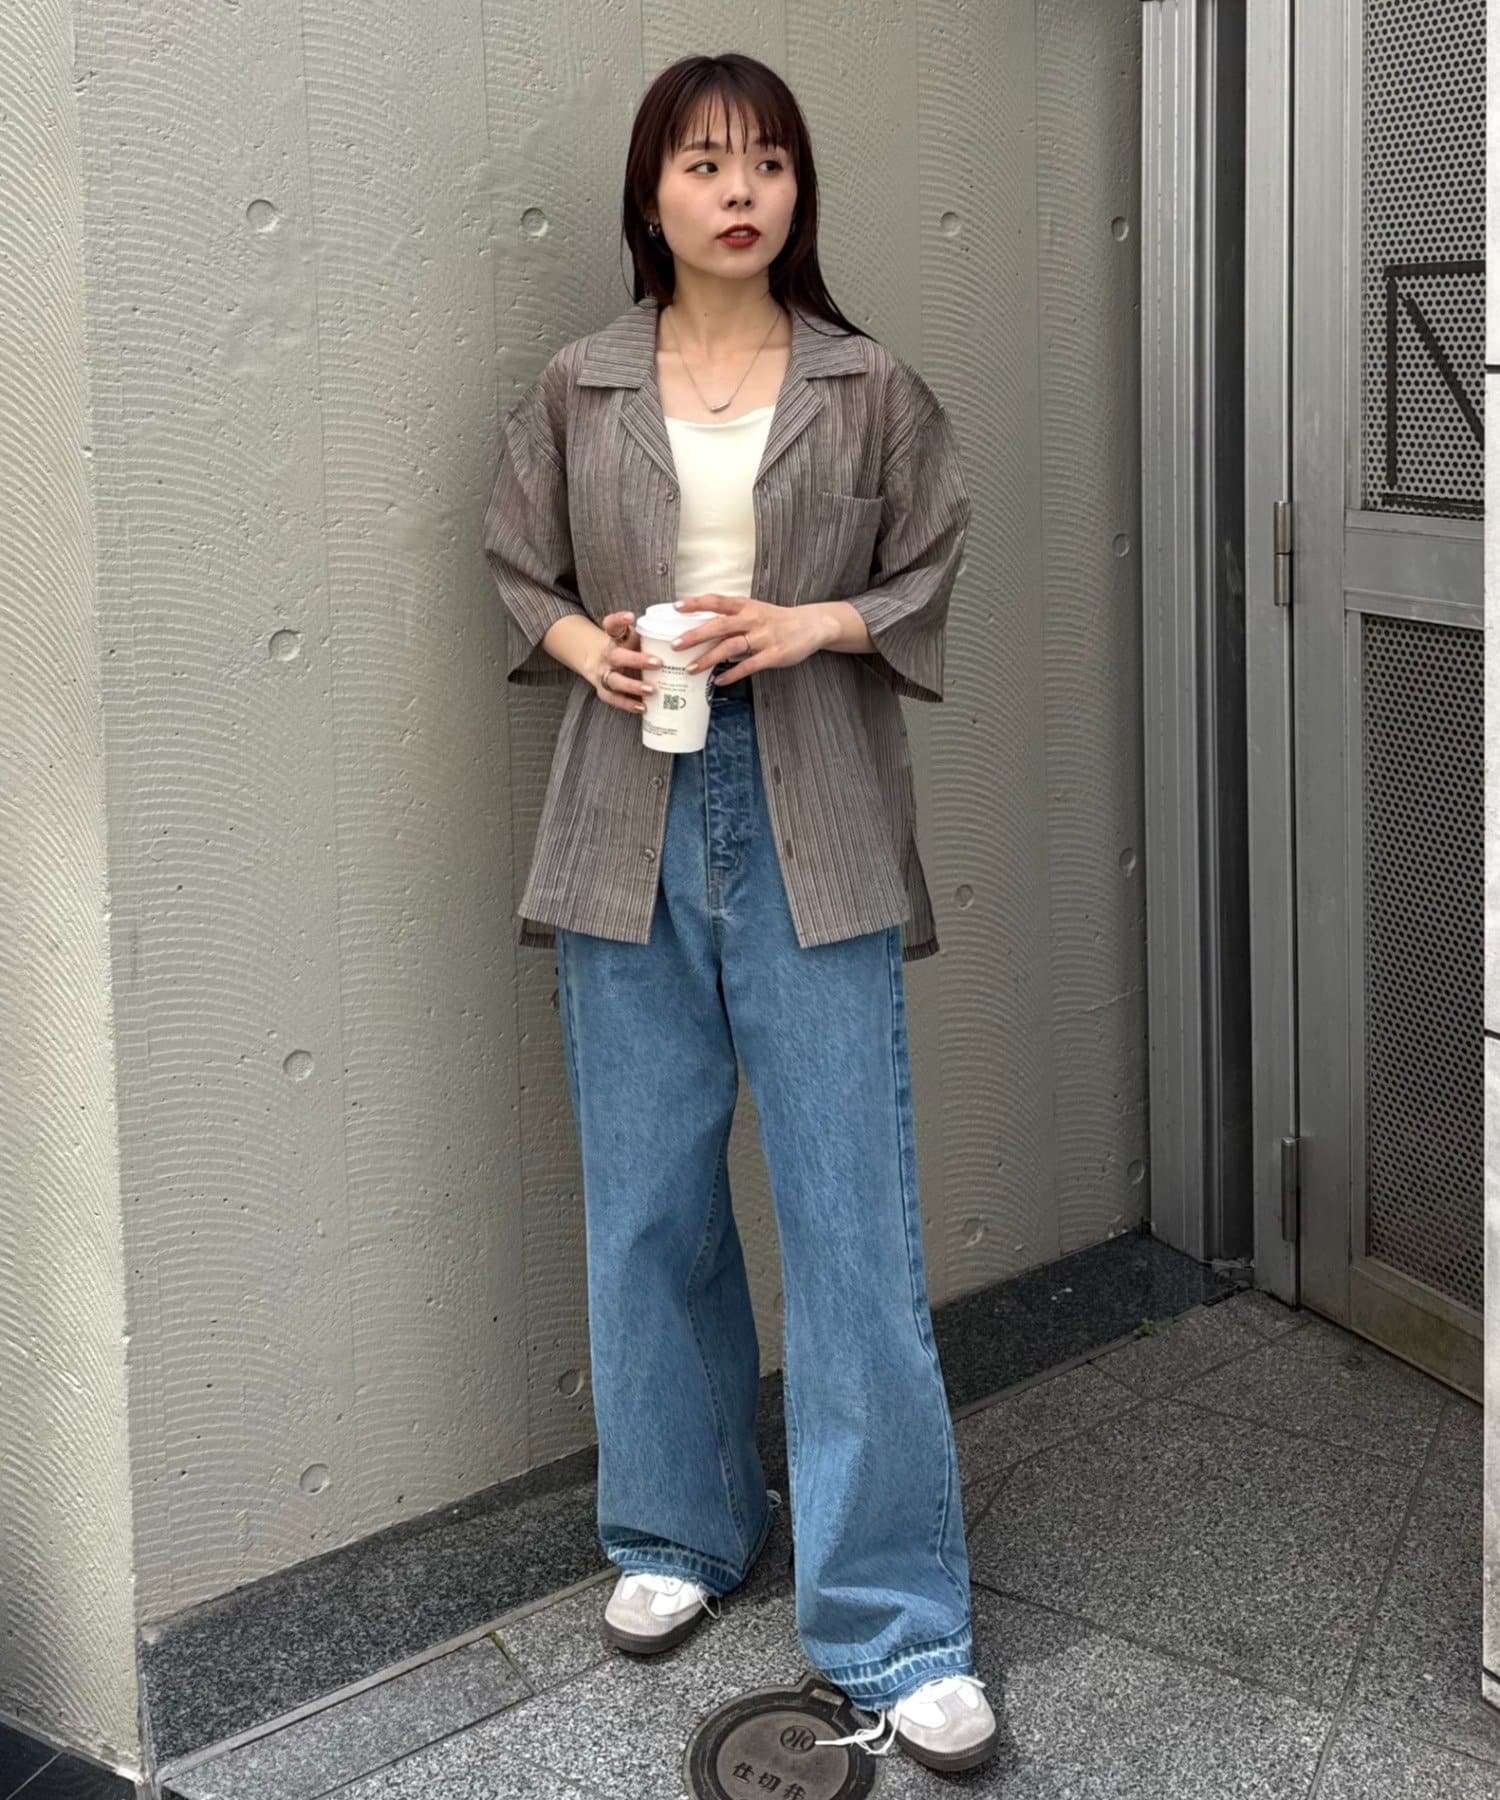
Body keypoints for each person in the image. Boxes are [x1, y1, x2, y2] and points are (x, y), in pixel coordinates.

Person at [482, 52, 995, 1775]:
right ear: (652, 195)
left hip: (815, 819)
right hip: (622, 817)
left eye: (768, 161)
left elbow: (929, 561)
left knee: (854, 1230)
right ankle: (681, 1528)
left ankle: (898, 1622)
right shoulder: (579, 384)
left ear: (797, 190)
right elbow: (516, 562)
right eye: (705, 163)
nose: (740, 190)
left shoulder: (867, 383)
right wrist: (590, 651)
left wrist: (813, 626)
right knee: (647, 1202)